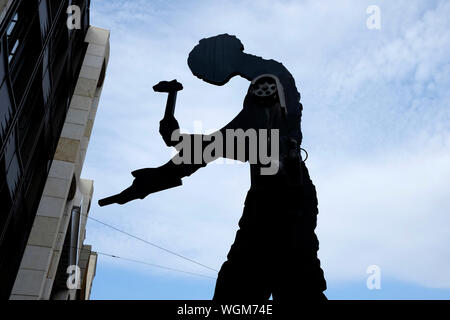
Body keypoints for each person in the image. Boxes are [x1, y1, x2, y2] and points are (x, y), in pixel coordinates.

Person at [99, 34, 327, 302]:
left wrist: (166, 166)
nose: (205, 79)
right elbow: (240, 143)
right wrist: (177, 144)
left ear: (217, 56)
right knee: (286, 283)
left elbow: (237, 140)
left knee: (251, 287)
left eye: (203, 72)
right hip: (278, 191)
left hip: (279, 195)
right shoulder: (268, 78)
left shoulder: (267, 81)